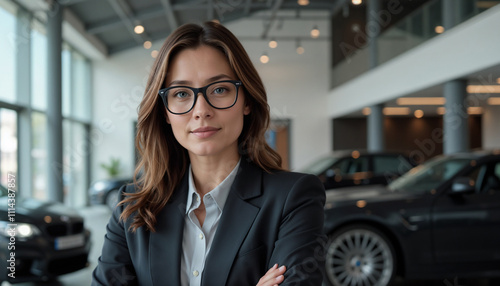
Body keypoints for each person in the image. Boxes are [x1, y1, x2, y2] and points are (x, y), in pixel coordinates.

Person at [92, 21, 326, 286]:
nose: (201, 110)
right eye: (181, 93)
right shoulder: (131, 208)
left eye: (220, 89)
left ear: (246, 100)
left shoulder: (294, 199)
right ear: (165, 112)